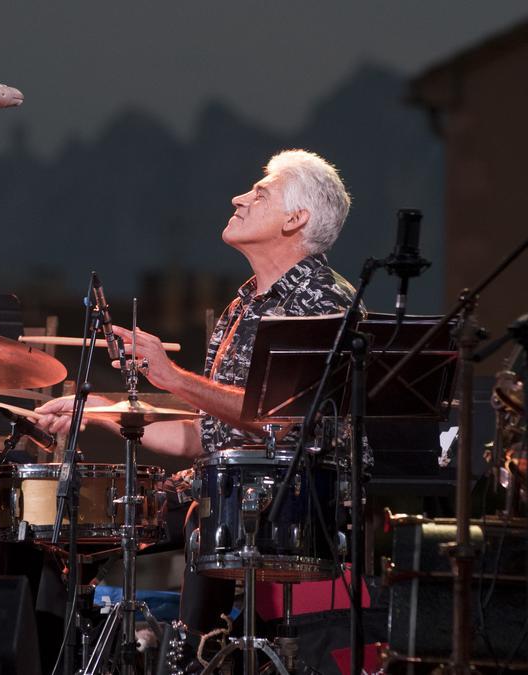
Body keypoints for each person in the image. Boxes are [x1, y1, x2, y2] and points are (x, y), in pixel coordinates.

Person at [34, 149, 360, 641]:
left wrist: (171, 377)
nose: (239, 197)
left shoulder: (324, 302)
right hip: (218, 484)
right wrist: (102, 412)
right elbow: (202, 437)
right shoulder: (242, 305)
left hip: (289, 499)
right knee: (61, 520)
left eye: (260, 192)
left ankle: (194, 650)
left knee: (206, 511)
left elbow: (286, 422)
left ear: (297, 219)